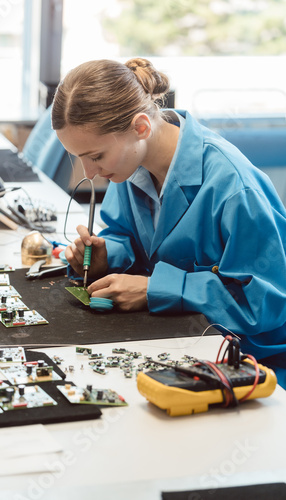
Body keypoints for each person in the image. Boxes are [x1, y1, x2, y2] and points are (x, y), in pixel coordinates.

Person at [52, 58, 286, 388]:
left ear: (141, 127)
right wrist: (109, 254)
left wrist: (154, 289)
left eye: (97, 156)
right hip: (175, 340)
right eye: (79, 158)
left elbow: (266, 304)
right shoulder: (128, 166)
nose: (89, 173)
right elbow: (126, 235)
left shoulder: (234, 186)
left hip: (251, 360)